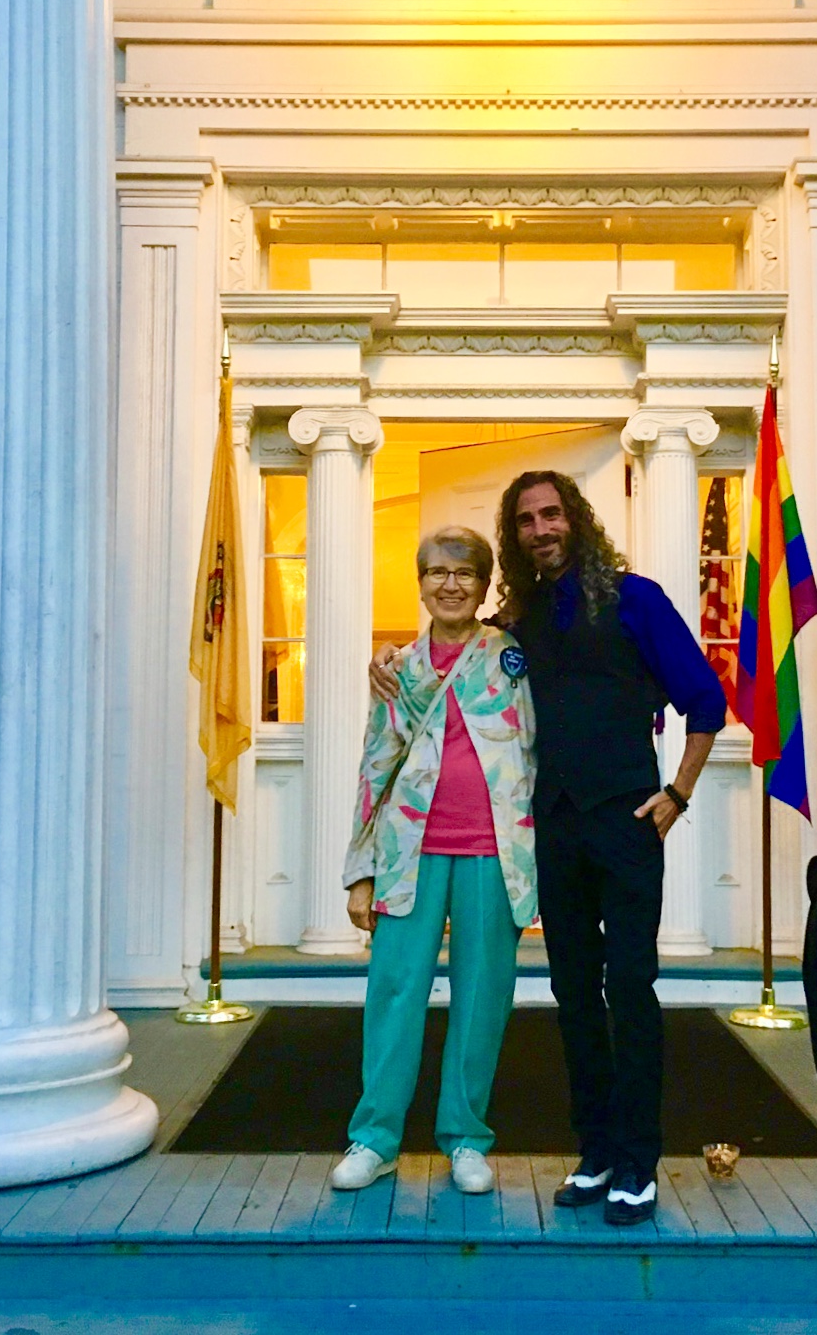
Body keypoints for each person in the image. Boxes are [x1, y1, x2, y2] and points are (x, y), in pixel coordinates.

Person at [373, 473, 725, 1225]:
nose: (541, 528)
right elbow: (454, 653)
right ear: (515, 535)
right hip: (552, 832)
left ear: (576, 520)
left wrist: (678, 794)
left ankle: (638, 1162)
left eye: (551, 514)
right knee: (571, 997)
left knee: (628, 991)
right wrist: (389, 670)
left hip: (627, 825)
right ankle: (595, 1153)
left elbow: (705, 701)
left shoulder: (637, 599)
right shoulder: (519, 622)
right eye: (526, 520)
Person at [331, 526, 537, 1197]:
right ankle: (374, 1138)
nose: (450, 584)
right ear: (418, 583)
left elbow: (537, 748)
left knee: (482, 999)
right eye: (436, 572)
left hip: (491, 854)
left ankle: (467, 1138)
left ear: (483, 585)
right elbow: (374, 769)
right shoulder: (399, 669)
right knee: (394, 995)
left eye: (464, 573)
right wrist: (358, 869)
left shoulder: (515, 657)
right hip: (404, 856)